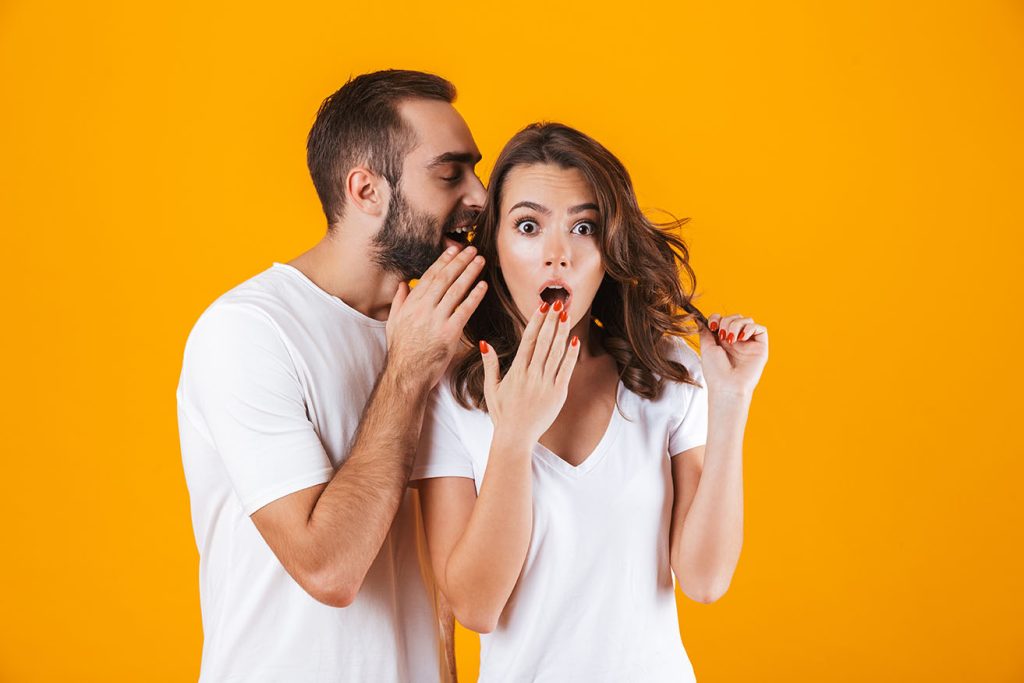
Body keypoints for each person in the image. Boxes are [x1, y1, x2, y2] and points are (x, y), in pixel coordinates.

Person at [413, 123, 770, 681]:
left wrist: (730, 400)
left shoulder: (667, 373)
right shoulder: (451, 396)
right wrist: (513, 437)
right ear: (496, 246)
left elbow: (704, 581)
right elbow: (476, 608)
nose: (557, 255)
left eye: (584, 227)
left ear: (610, 248)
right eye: (528, 226)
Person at [176, 70, 489, 682]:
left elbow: (434, 556)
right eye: (450, 173)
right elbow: (330, 570)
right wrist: (407, 373)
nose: (479, 195)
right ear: (366, 190)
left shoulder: (438, 334)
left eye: (476, 171)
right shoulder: (248, 332)